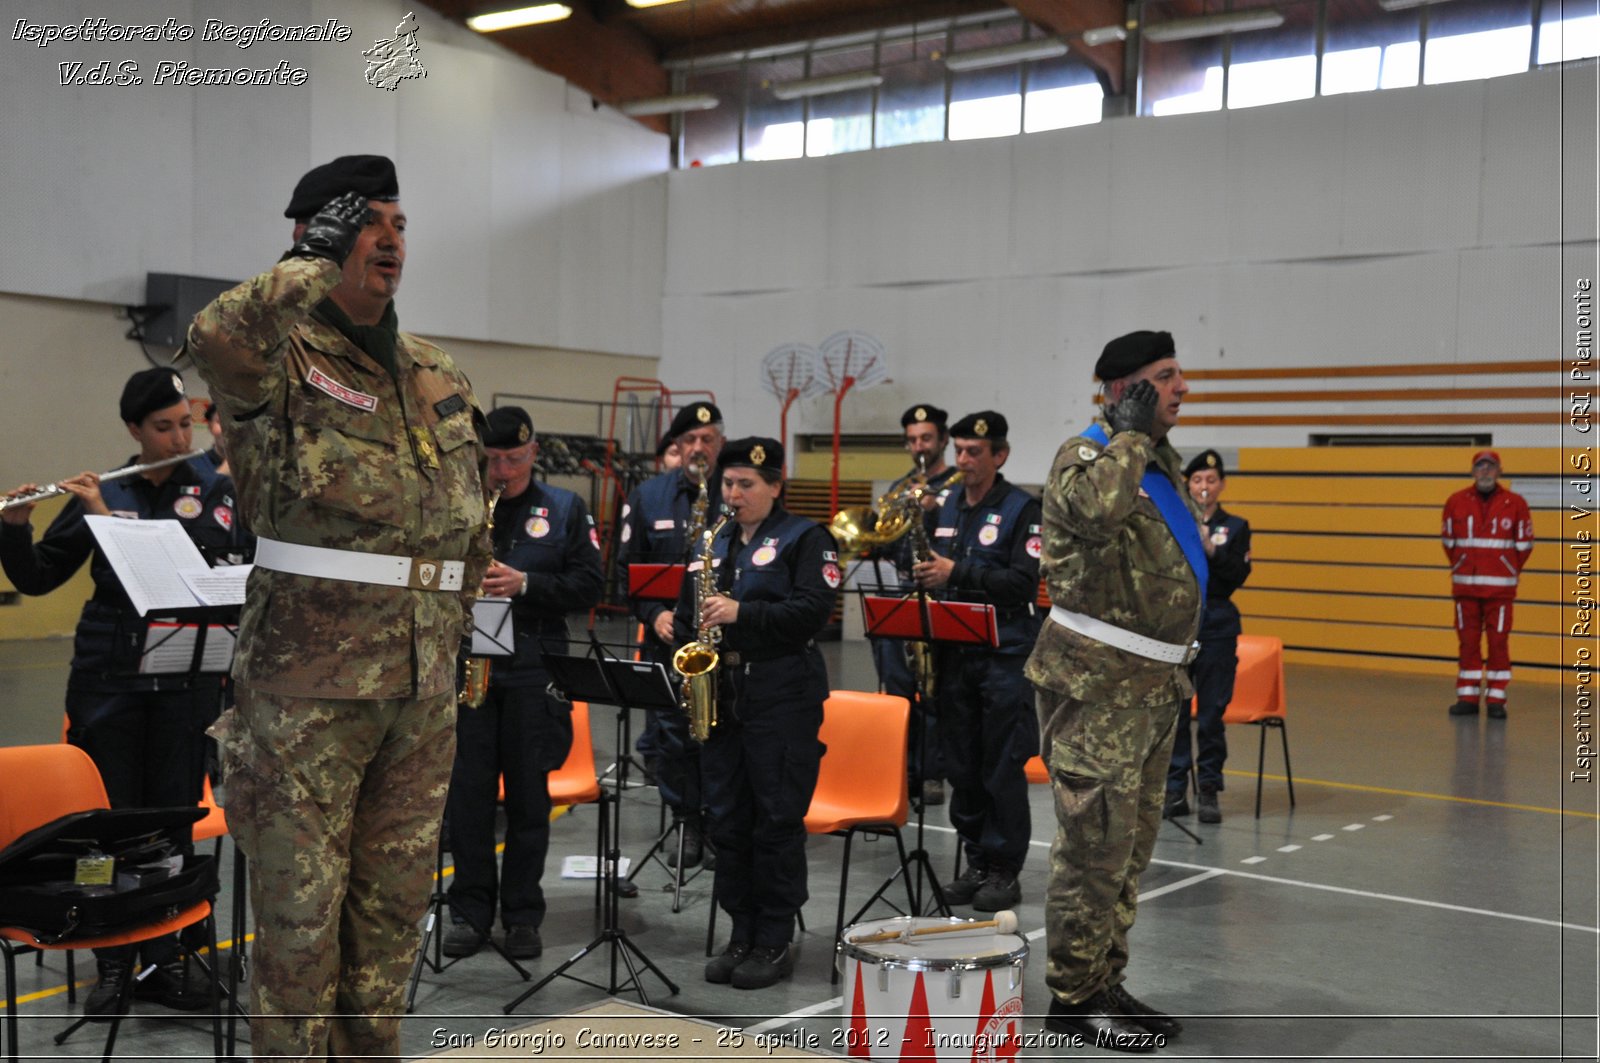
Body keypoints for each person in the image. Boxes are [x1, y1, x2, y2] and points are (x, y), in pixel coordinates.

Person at [185, 154, 491, 1061]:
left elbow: (464, 520)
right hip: (307, 687)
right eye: (370, 221)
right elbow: (213, 337)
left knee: (392, 915)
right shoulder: (277, 359)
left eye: (401, 222)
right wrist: (311, 263)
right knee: (299, 922)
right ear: (316, 235)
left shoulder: (435, 369)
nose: (391, 239)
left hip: (421, 683)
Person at [0, 368, 238, 1015]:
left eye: (184, 423)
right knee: (103, 832)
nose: (178, 435)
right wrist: (16, 527)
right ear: (134, 430)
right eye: (163, 426)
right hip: (109, 684)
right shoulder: (103, 491)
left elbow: (208, 574)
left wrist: (116, 524)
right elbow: (43, 575)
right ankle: (113, 959)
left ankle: (173, 958)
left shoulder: (215, 493)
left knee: (171, 827)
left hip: (184, 687)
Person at [1025, 329, 1203, 1051]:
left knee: (1127, 853)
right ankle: (1071, 999)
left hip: (1153, 684)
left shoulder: (1158, 458)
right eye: (1165, 377)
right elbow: (1096, 515)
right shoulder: (1088, 455)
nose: (1182, 387)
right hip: (1099, 689)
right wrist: (1126, 435)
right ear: (1124, 388)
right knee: (1092, 849)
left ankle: (1104, 978)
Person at [444, 406, 603, 960]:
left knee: (530, 801)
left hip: (535, 668)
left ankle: (522, 916)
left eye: (514, 458)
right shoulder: (459, 507)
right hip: (471, 667)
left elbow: (590, 583)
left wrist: (526, 582)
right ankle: (468, 910)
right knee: (467, 798)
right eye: (492, 460)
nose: (502, 470)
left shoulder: (564, 509)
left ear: (533, 453)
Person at [690, 437, 836, 990]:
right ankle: (741, 931)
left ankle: (774, 938)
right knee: (728, 818)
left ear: (776, 485)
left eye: (746, 485)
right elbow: (695, 612)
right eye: (727, 484)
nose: (734, 494)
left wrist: (742, 612)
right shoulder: (719, 542)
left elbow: (812, 612)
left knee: (775, 819)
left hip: (783, 693)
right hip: (726, 691)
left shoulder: (806, 538)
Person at [913, 410, 1042, 913]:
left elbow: (1022, 583)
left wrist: (956, 572)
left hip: (1004, 656)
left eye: (974, 453)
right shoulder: (944, 505)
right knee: (961, 765)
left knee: (1001, 765)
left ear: (999, 456)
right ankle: (976, 861)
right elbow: (928, 568)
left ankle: (1004, 869)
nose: (962, 461)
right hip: (953, 654)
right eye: (960, 451)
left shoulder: (1022, 509)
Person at [619, 400, 725, 871]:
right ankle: (684, 822)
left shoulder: (738, 492)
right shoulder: (650, 495)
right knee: (672, 738)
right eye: (690, 442)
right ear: (677, 448)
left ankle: (723, 826)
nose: (699, 448)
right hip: (668, 640)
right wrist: (653, 611)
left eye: (708, 440)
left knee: (721, 736)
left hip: (721, 641)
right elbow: (626, 571)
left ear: (719, 444)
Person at [868, 403, 961, 808]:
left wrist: (934, 508)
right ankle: (903, 767)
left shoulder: (958, 484)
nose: (918, 446)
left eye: (925, 438)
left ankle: (934, 770)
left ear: (942, 440)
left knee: (935, 685)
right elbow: (885, 543)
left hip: (942, 595)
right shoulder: (901, 487)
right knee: (899, 686)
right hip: (902, 592)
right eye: (911, 440)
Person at [1166, 449, 1252, 825]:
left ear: (1222, 485)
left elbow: (1237, 576)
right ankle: (1174, 788)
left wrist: (1211, 548)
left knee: (1212, 714)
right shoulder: (1175, 522)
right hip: (1181, 623)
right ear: (1188, 484)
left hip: (1217, 622)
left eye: (1211, 481)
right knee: (1177, 711)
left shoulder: (1235, 526)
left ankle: (1210, 789)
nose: (1204, 487)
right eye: (1197, 480)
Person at [1442, 450, 1533, 719]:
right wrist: (1462, 567)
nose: (1485, 471)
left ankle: (1496, 699)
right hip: (1465, 588)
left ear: (1499, 471)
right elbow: (1448, 542)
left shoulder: (1515, 503)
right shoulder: (1455, 501)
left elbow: (1525, 545)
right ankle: (1467, 696)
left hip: (1499, 590)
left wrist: (1506, 568)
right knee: (1467, 642)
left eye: (1490, 467)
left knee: (1498, 642)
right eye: (1480, 467)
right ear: (1473, 471)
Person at [202, 401, 230, 476]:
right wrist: (221, 474)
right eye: (220, 422)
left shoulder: (255, 464)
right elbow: (190, 488)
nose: (229, 429)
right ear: (210, 426)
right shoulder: (195, 465)